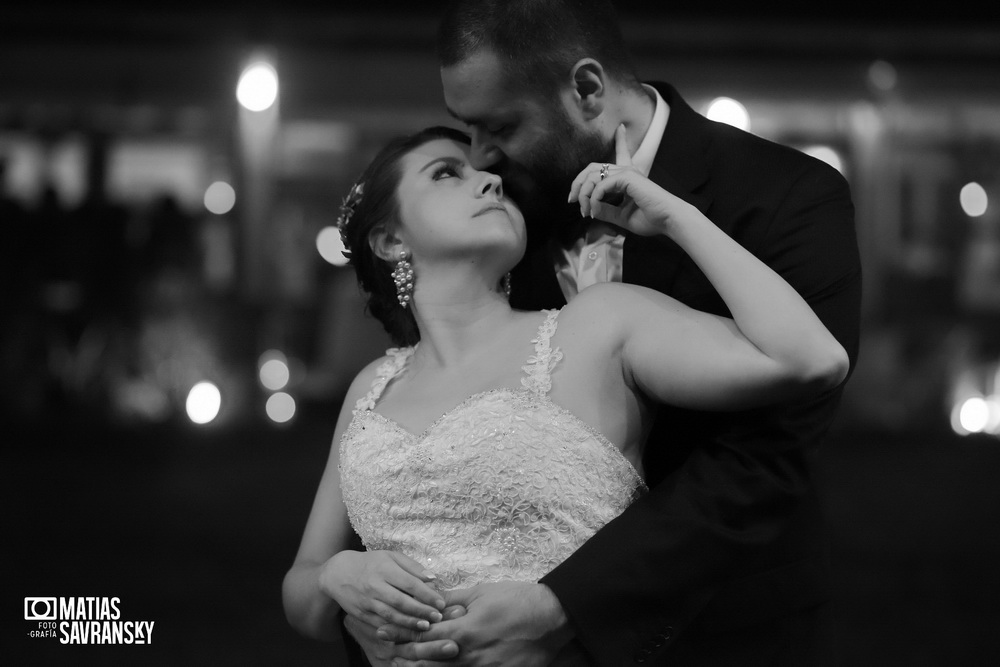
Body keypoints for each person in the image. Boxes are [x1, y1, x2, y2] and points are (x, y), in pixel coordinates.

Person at [340, 1, 862, 665]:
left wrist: (568, 604)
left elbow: (765, 454)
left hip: (726, 627)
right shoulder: (507, 211)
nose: (482, 157)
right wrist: (359, 595)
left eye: (499, 125)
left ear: (586, 89)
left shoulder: (788, 194)